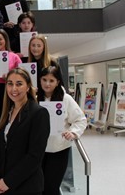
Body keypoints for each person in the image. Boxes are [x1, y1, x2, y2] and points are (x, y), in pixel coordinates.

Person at [0, 67, 50, 195]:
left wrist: (8, 181)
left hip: (26, 187)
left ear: (28, 87)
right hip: (2, 185)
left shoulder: (39, 113)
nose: (13, 89)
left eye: (19, 84)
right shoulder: (7, 112)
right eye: (10, 84)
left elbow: (34, 156)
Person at [37, 66, 87, 195]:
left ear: (58, 82)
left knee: (51, 188)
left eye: (51, 80)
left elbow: (80, 119)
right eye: (44, 79)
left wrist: (73, 132)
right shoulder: (34, 98)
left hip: (58, 150)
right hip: (37, 151)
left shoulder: (66, 99)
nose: (47, 84)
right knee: (39, 187)